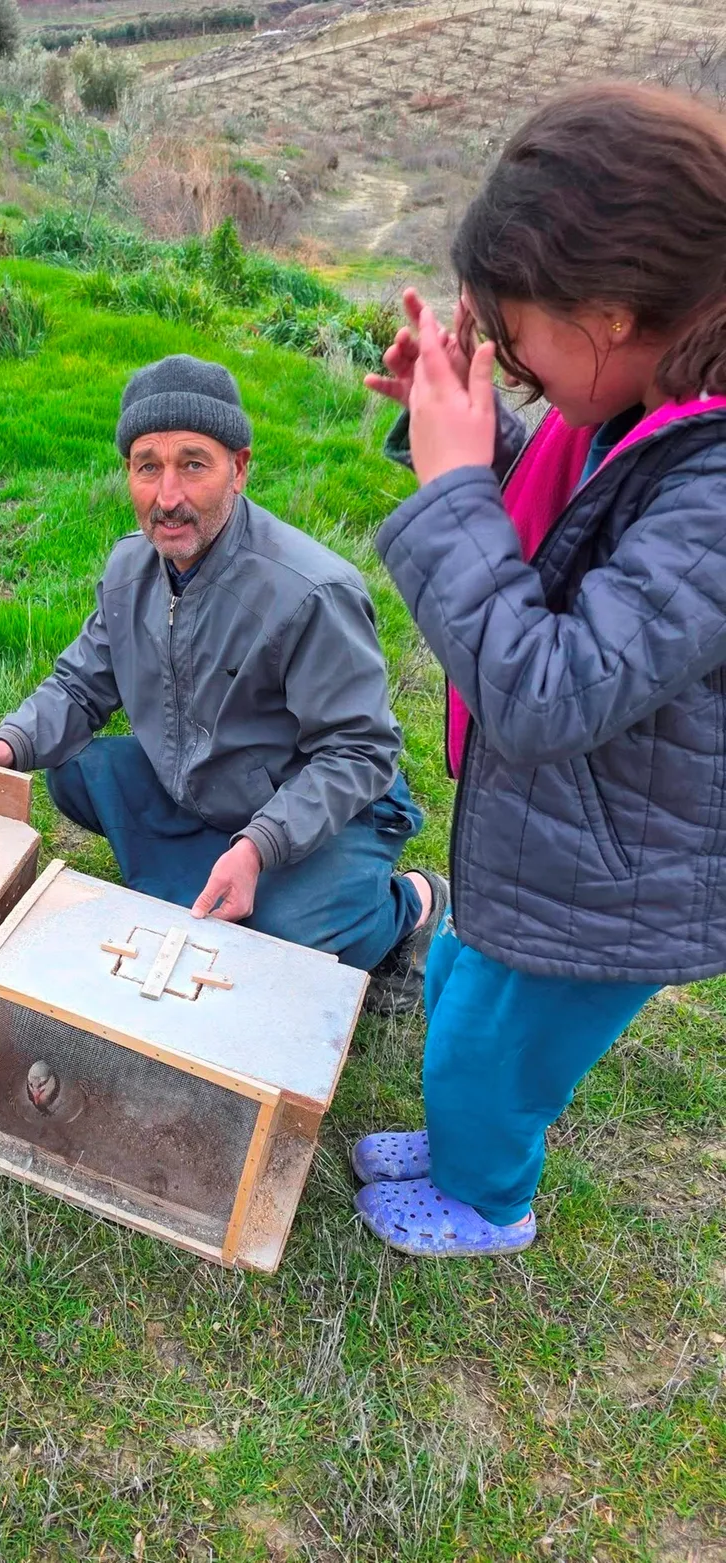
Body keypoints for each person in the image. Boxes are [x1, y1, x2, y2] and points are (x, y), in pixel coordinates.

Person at [352, 83, 726, 1256]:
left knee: (492, 1057)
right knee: (464, 992)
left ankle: (485, 1200)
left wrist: (453, 487)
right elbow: (579, 522)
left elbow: (548, 689)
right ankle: (464, 1147)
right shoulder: (652, 406)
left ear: (609, 314)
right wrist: (469, 427)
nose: (508, 356)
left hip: (613, 876)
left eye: (515, 336)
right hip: (557, 839)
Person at [0, 353, 447, 1014]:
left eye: (193, 464)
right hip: (208, 782)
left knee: (288, 937)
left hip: (326, 805)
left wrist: (260, 845)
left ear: (239, 467)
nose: (168, 496)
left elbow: (360, 752)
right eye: (148, 465)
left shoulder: (311, 591)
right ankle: (226, 863)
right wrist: (0, 748)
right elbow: (80, 685)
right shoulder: (132, 566)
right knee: (72, 770)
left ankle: (410, 904)